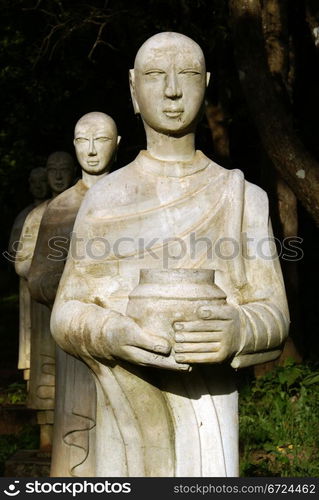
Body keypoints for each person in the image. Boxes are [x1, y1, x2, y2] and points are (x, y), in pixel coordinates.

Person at [51, 33, 289, 476]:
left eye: (189, 75)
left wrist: (238, 331)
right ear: (133, 89)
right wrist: (111, 332)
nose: (173, 90)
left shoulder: (241, 197)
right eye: (156, 76)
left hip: (210, 413)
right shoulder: (105, 198)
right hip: (125, 407)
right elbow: (66, 313)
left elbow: (273, 312)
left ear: (207, 84)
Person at [27, 112, 119, 476]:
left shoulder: (135, 197)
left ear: (118, 143)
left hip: (124, 334)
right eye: (84, 140)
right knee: (80, 445)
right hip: (77, 337)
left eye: (101, 139)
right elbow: (39, 281)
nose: (92, 150)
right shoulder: (62, 207)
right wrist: (83, 287)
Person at [15, 151, 75, 451]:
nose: (59, 175)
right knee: (48, 374)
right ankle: (47, 441)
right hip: (45, 303)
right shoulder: (36, 215)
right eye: (53, 169)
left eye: (64, 169)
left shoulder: (88, 204)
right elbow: (21, 260)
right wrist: (45, 274)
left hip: (79, 302)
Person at [7, 167, 48, 383]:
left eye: (43, 180)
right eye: (36, 182)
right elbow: (15, 254)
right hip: (31, 285)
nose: (40, 186)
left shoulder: (57, 208)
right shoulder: (27, 216)